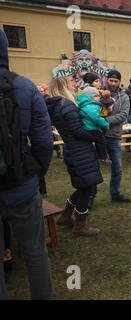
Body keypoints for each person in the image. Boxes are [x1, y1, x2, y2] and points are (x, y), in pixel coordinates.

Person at [0, 30, 54, 299]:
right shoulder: (24, 86)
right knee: (35, 252)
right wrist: (36, 172)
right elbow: (44, 141)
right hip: (21, 185)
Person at [46, 77, 102, 236]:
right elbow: (77, 131)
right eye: (71, 85)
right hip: (80, 150)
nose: (74, 87)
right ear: (64, 87)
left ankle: (65, 215)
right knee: (87, 186)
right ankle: (80, 226)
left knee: (84, 185)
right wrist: (95, 136)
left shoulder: (58, 106)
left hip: (73, 149)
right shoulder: (67, 105)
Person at [89, 70, 130, 207]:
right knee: (94, 167)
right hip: (97, 135)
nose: (113, 83)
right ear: (107, 80)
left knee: (117, 168)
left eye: (115, 81)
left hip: (114, 137)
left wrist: (103, 120)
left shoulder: (123, 97)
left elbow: (123, 115)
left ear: (119, 82)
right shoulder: (97, 93)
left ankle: (115, 193)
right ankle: (90, 196)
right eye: (111, 80)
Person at [76, 87, 110, 162]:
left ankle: (97, 155)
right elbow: (96, 118)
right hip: (91, 128)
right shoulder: (91, 106)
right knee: (101, 141)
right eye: (96, 96)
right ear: (90, 97)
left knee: (97, 142)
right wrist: (105, 124)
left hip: (87, 128)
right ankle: (102, 156)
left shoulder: (85, 105)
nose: (99, 98)